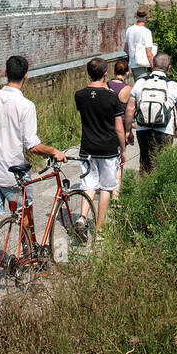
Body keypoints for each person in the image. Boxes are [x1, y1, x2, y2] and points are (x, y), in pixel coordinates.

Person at [0, 55, 67, 292]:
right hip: (14, 174)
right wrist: (53, 151)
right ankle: (30, 255)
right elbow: (31, 145)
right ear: (26, 75)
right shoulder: (26, 106)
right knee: (25, 215)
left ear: (5, 73)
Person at [74, 57, 125, 231]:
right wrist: (123, 149)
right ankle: (99, 227)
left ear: (88, 74)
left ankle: (82, 217)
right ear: (105, 74)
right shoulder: (112, 97)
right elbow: (119, 127)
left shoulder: (79, 95)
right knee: (105, 188)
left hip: (87, 147)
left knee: (88, 185)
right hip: (108, 148)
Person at [126, 52, 177, 172]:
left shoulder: (140, 82)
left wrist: (128, 131)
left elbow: (130, 109)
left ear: (152, 64)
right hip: (164, 130)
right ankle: (159, 189)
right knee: (163, 165)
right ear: (169, 68)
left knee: (145, 163)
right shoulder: (173, 85)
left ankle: (144, 188)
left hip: (143, 129)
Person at [107, 58, 134, 200]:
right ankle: (116, 194)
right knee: (119, 161)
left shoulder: (106, 85)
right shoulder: (128, 89)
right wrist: (129, 130)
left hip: (106, 126)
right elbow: (130, 112)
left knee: (107, 159)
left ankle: (105, 186)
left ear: (114, 71)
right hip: (121, 126)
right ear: (127, 73)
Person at [123, 6, 155, 81]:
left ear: (136, 15)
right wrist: (154, 68)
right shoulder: (146, 32)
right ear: (147, 16)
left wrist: (132, 56)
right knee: (142, 88)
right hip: (141, 65)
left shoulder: (129, 30)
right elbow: (149, 53)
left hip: (132, 64)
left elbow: (125, 49)